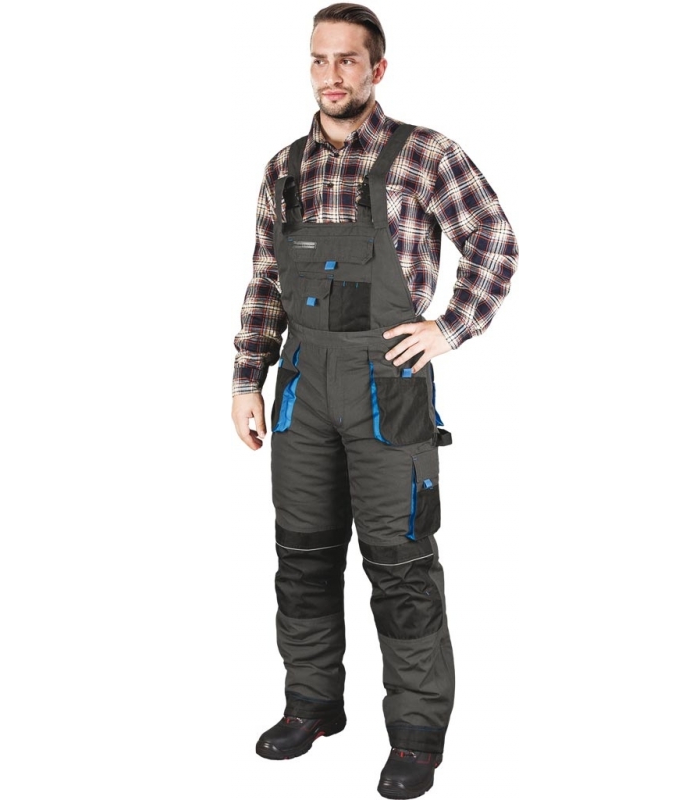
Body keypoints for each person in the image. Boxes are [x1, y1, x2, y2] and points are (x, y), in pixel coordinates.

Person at [231, 4, 518, 797]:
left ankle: (417, 735)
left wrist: (449, 328)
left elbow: (495, 240)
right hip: (300, 389)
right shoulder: (283, 169)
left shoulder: (425, 155)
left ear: (376, 69)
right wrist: (247, 379)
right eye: (319, 60)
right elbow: (265, 282)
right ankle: (311, 704)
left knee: (402, 567)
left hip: (387, 386)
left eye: (348, 60)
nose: (332, 75)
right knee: (302, 558)